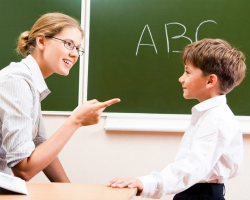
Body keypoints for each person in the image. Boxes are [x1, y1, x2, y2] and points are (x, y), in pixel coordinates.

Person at [108, 38, 246, 200]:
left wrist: (145, 183)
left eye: (187, 72)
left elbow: (192, 166)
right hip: (194, 192)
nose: (181, 78)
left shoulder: (216, 120)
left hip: (200, 196)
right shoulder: (209, 115)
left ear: (210, 81)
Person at [0, 12, 120, 182]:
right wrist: (75, 121)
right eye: (68, 44)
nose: (75, 54)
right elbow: (23, 170)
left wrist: (68, 190)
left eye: (78, 48)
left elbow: (39, 144)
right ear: (41, 41)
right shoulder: (17, 81)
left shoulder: (30, 82)